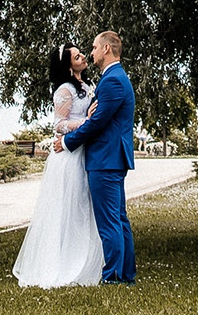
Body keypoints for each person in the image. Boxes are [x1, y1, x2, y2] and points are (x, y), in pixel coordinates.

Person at [12, 43, 102, 287]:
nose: (83, 57)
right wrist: (86, 121)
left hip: (85, 151)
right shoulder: (65, 90)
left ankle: (85, 259)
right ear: (67, 64)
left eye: (81, 54)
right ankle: (62, 262)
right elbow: (59, 124)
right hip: (69, 155)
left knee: (84, 205)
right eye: (76, 56)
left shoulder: (87, 86)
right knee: (69, 206)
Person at [62, 29, 136, 284]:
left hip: (105, 159)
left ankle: (114, 276)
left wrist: (66, 141)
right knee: (118, 219)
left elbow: (97, 123)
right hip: (111, 158)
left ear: (106, 49)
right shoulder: (113, 77)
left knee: (109, 222)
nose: (91, 52)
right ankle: (125, 274)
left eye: (94, 47)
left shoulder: (113, 79)